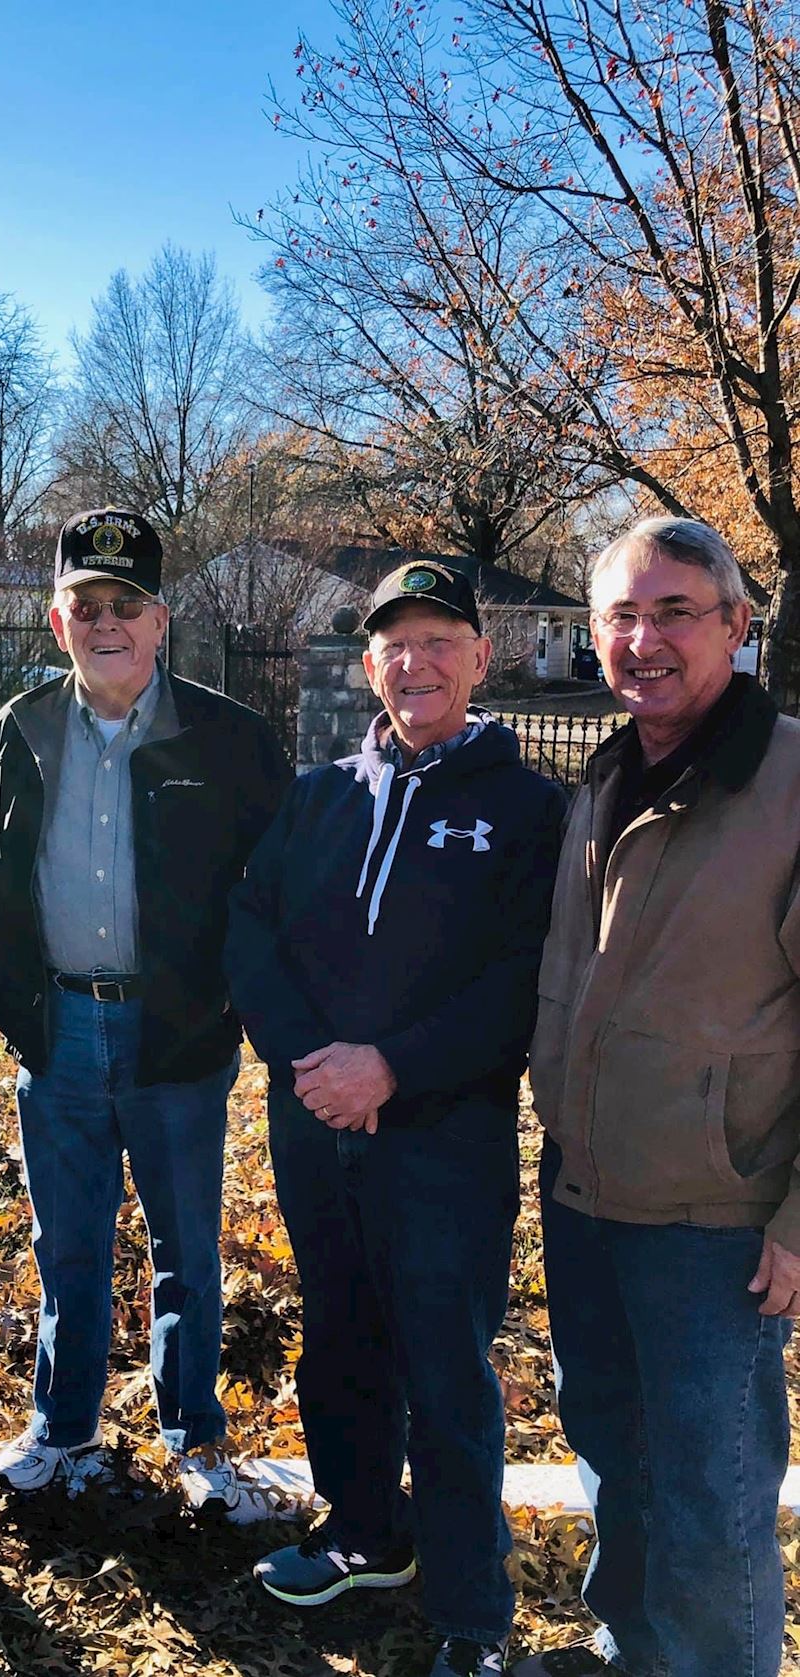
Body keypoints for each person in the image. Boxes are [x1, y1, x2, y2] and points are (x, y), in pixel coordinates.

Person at [226, 561, 566, 1677]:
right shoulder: (321, 793)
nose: (413, 662)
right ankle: (363, 1532)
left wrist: (392, 1069)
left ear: (480, 655)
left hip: (442, 1138)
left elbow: (522, 979)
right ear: (367, 662)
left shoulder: (525, 809)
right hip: (312, 1122)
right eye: (392, 643)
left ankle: (471, 1610)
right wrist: (306, 1066)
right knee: (338, 1334)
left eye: (437, 640)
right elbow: (251, 927)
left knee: (445, 1365)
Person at [515, 518, 800, 1677]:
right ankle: (630, 1651)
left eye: (673, 611)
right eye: (619, 617)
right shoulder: (604, 772)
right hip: (587, 1193)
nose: (642, 640)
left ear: (734, 625)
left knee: (711, 1494)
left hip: (713, 1223)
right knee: (613, 1454)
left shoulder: (785, 784)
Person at [0, 507, 291, 1512]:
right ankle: (61, 1434)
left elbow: (276, 892)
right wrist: (13, 1015)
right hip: (57, 1028)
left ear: (161, 619)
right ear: (57, 620)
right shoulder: (18, 730)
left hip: (177, 1037)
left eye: (127, 604)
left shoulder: (228, 739)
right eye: (86, 604)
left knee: (185, 1250)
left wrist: (229, 1012)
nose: (106, 622)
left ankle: (194, 1445)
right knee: (64, 1245)